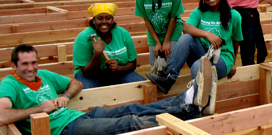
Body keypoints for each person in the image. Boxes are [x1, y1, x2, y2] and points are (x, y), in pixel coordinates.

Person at [0, 44, 204, 135]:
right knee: (128, 123)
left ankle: (186, 101)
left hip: (78, 115)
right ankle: (188, 118)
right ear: (14, 66)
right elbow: (2, 116)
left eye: (34, 62)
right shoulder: (10, 84)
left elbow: (76, 83)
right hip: (65, 129)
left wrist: (65, 95)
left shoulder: (43, 75)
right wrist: (39, 109)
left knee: (132, 108)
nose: (31, 68)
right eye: (25, 64)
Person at [145, 0, 243, 113]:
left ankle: (197, 106)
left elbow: (236, 41)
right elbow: (186, 27)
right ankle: (168, 78)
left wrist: (233, 63)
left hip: (221, 59)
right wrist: (207, 34)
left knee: (199, 65)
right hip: (202, 52)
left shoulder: (234, 15)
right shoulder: (199, 12)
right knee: (186, 38)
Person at [73, 3, 146, 89]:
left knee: (143, 86)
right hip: (91, 76)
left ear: (112, 20)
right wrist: (97, 54)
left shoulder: (123, 34)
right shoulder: (83, 38)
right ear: (94, 20)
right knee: (86, 95)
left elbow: (133, 64)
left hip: (118, 73)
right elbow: (87, 73)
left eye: (108, 18)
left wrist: (118, 68)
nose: (104, 22)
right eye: (99, 18)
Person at [135, 0, 184, 66]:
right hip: (154, 32)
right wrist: (157, 42)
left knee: (171, 63)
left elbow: (173, 18)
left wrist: (166, 42)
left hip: (173, 30)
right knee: (155, 64)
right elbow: (146, 20)